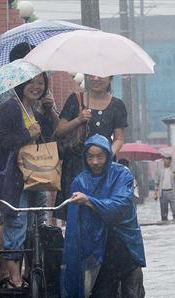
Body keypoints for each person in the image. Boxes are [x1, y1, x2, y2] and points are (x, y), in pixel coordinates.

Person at [60, 135, 146, 298]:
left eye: (100, 156)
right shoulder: (80, 181)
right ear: (84, 158)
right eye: (90, 157)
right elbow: (75, 224)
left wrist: (89, 201)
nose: (95, 162)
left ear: (108, 155)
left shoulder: (122, 174)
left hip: (125, 244)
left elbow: (120, 206)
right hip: (98, 252)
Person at [0, 73, 57, 288]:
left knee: (37, 225)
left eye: (41, 83)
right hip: (14, 178)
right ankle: (15, 279)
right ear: (21, 83)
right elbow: (1, 141)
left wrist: (49, 112)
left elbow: (48, 138)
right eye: (31, 82)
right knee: (16, 223)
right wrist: (26, 134)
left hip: (36, 177)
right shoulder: (12, 107)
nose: (36, 87)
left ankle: (32, 273)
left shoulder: (36, 110)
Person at [54, 74, 127, 219]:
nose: (95, 79)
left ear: (110, 78)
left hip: (103, 168)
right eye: (91, 75)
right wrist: (79, 119)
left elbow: (119, 138)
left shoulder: (117, 105)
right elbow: (59, 130)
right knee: (75, 212)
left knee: (101, 209)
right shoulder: (76, 99)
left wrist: (106, 155)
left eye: (101, 75)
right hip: (75, 166)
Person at [154, 155, 175, 222]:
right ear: (163, 160)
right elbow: (156, 182)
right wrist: (155, 193)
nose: (167, 160)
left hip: (172, 192)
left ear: (170, 161)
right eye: (166, 159)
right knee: (164, 213)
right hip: (163, 193)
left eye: (169, 159)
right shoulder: (159, 170)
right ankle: (164, 225)